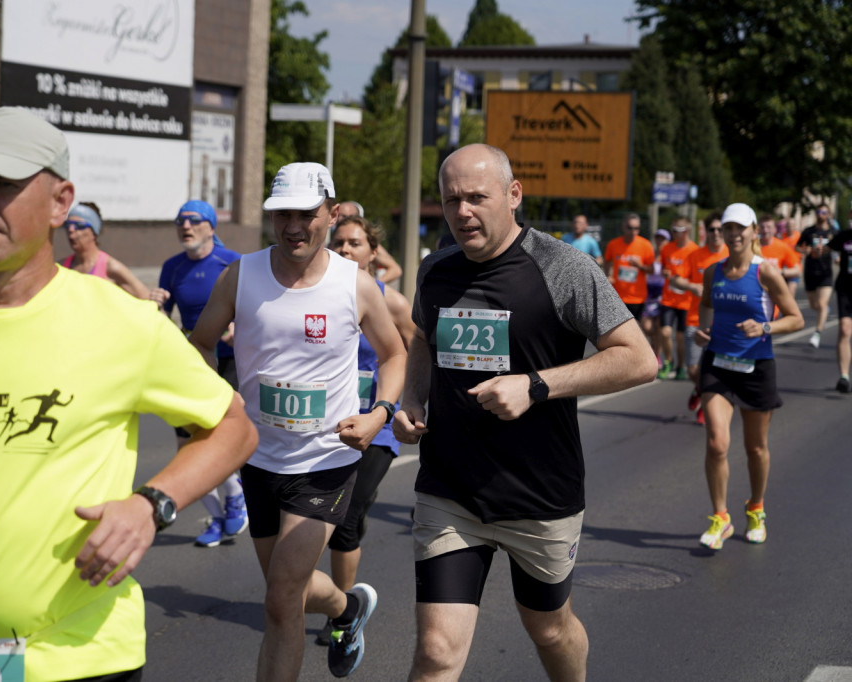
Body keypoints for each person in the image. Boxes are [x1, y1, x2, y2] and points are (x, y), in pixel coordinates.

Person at [0, 107, 258, 681]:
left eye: (3, 185)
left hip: (86, 655)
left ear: (61, 202)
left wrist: (150, 505)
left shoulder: (122, 323)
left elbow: (234, 427)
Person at [394, 144, 657, 682]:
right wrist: (412, 398)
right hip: (451, 491)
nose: (462, 212)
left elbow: (640, 360)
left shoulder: (564, 269)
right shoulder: (435, 270)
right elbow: (422, 337)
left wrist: (536, 386)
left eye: (476, 197)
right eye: (450, 200)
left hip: (539, 496)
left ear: (513, 195)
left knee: (550, 630)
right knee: (438, 652)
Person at [189, 162, 406, 681]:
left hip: (326, 460)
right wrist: (216, 405)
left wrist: (379, 413)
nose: (292, 225)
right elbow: (199, 344)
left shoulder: (354, 285)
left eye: (305, 213)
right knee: (288, 589)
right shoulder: (242, 274)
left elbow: (395, 356)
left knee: (281, 601)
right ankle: (346, 609)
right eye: (281, 213)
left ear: (331, 214)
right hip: (257, 457)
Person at [313, 215, 416, 645]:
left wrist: (404, 404)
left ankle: (341, 611)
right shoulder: (321, 296)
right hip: (329, 420)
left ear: (374, 252)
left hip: (378, 420)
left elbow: (414, 354)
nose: (346, 250)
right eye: (339, 243)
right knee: (326, 511)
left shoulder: (390, 302)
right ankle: (339, 601)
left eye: (355, 243)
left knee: (349, 512)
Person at [693, 204, 803, 549]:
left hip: (756, 367)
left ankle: (756, 507)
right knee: (716, 443)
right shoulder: (713, 271)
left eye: (741, 228)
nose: (734, 235)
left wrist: (765, 326)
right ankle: (720, 517)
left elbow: (796, 318)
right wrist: (702, 329)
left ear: (754, 231)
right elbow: (706, 303)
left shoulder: (766, 272)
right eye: (728, 228)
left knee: (755, 448)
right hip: (718, 365)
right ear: (721, 233)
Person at [149, 199, 249, 547]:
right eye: (180, 221)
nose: (185, 227)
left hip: (228, 359)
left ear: (210, 226)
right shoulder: (172, 268)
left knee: (216, 436)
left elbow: (255, 310)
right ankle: (219, 517)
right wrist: (155, 307)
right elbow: (165, 322)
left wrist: (240, 326)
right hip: (190, 361)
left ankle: (235, 498)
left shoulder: (231, 262)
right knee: (186, 443)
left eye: (192, 221)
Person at [669, 212, 729, 425]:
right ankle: (700, 387)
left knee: (715, 369)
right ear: (705, 232)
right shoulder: (695, 255)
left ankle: (706, 405)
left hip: (723, 323)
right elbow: (676, 279)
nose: (716, 233)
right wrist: (692, 286)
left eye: (720, 229)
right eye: (712, 229)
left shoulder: (731, 255)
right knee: (693, 369)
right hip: (696, 319)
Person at [61, 202, 150, 299]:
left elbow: (148, 300)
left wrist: (159, 298)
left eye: (79, 225)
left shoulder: (111, 268)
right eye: (67, 224)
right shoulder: (61, 267)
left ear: (94, 231)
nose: (71, 229)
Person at [658, 218, 699, 380]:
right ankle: (669, 360)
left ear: (686, 232)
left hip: (686, 301)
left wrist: (683, 281)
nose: (673, 234)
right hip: (668, 299)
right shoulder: (667, 249)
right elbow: (663, 268)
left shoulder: (694, 250)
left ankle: (681, 366)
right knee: (665, 332)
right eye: (672, 230)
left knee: (681, 338)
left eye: (676, 231)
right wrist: (666, 273)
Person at [797, 203, 837, 349]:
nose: (821, 214)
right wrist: (805, 251)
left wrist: (838, 257)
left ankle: (817, 333)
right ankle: (824, 311)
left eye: (824, 212)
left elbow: (839, 248)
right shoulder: (809, 231)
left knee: (821, 304)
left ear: (828, 214)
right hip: (810, 272)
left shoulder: (833, 232)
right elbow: (797, 246)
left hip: (826, 273)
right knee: (814, 305)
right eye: (819, 211)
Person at [336, 200, 403, 285]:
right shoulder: (332, 237)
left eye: (345, 216)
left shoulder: (368, 244)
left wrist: (373, 285)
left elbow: (395, 270)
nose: (340, 219)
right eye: (339, 215)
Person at [603, 213, 655, 321]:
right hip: (617, 296)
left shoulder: (645, 245)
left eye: (636, 228)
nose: (633, 231)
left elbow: (652, 270)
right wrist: (607, 275)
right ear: (623, 227)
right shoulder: (613, 244)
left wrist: (639, 266)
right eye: (630, 228)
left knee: (635, 330)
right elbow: (607, 260)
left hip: (637, 297)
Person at [825, 225, 852, 392]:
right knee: (844, 329)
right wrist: (816, 251)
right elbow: (826, 248)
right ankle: (844, 376)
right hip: (846, 288)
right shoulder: (845, 235)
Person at [641, 229, 670, 362]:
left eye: (662, 239)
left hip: (663, 293)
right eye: (657, 238)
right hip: (650, 292)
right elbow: (647, 269)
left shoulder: (669, 256)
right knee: (646, 326)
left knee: (659, 326)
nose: (659, 241)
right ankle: (654, 345)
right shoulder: (650, 254)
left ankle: (657, 355)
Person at [758, 214, 802, 299]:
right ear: (758, 229)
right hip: (756, 289)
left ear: (774, 229)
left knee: (789, 296)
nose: (765, 230)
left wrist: (781, 272)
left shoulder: (782, 246)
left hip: (775, 289)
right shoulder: (751, 247)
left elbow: (797, 270)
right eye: (762, 227)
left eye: (768, 227)